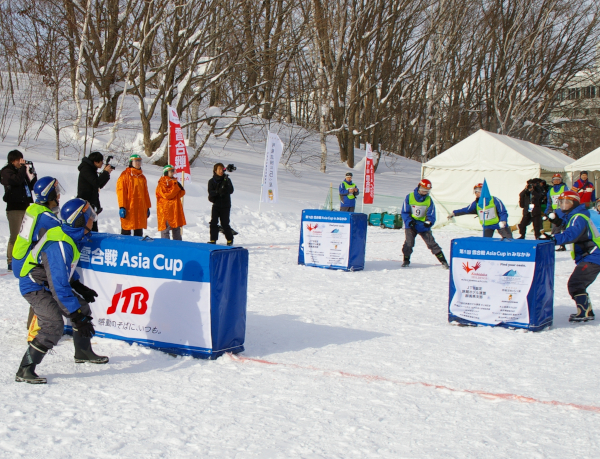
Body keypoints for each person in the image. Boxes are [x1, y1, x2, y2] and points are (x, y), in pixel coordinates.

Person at [15, 198, 108, 384]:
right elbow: (58, 286)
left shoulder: (70, 235)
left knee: (82, 306)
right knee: (53, 324)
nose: (92, 219)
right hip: (34, 286)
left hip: (48, 282)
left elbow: (62, 270)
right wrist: (77, 317)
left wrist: (78, 286)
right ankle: (25, 369)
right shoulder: (60, 244)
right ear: (79, 221)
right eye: (89, 216)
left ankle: (82, 352)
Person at [11, 176, 64, 330]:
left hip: (19, 256)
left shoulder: (33, 208)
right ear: (50, 196)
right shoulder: (46, 217)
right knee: (40, 290)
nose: (59, 195)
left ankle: (35, 326)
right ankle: (37, 329)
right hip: (28, 261)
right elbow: (63, 233)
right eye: (57, 192)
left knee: (39, 290)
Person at [548, 191, 600, 323]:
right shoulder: (575, 215)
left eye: (567, 202)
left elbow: (572, 234)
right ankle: (587, 311)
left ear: (575, 203)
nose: (564, 205)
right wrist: (559, 221)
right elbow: (570, 225)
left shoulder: (578, 217)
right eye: (561, 202)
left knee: (575, 283)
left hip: (593, 256)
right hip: (590, 256)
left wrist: (554, 239)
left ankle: (583, 312)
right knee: (578, 283)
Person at [1, 150, 37, 270]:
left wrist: (32, 174)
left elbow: (32, 186)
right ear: (12, 160)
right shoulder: (6, 172)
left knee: (26, 235)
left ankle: (22, 257)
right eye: (18, 160)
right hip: (14, 208)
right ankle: (11, 260)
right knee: (15, 236)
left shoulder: (21, 172)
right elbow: (15, 181)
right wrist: (23, 169)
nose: (21, 162)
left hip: (25, 206)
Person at [400, 179, 449, 268]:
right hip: (411, 224)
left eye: (426, 191)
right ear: (419, 187)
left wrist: (429, 222)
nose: (424, 192)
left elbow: (431, 213)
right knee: (409, 243)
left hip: (423, 225)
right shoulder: (409, 197)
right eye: (423, 189)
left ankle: (443, 261)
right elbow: (404, 212)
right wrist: (409, 221)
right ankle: (406, 260)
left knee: (431, 243)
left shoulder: (429, 200)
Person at [76, 150, 113, 231]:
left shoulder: (91, 169)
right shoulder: (86, 169)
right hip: (86, 204)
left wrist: (106, 174)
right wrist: (105, 173)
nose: (102, 163)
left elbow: (99, 185)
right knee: (88, 227)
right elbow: (96, 182)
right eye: (101, 161)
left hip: (92, 203)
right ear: (95, 162)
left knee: (93, 226)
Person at [116, 153, 151, 236]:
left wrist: (147, 206)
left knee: (138, 231)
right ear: (131, 162)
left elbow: (146, 193)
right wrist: (122, 206)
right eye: (136, 161)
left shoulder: (142, 177)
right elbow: (121, 192)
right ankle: (124, 248)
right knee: (126, 230)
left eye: (139, 161)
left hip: (140, 209)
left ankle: (138, 248)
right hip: (129, 208)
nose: (138, 163)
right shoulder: (125, 175)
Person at [156, 164, 186, 240]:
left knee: (176, 229)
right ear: (166, 172)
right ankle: (165, 247)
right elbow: (167, 195)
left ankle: (178, 247)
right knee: (165, 229)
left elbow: (180, 194)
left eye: (173, 171)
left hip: (175, 209)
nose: (173, 173)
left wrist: (181, 188)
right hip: (166, 210)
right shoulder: (162, 183)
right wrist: (176, 187)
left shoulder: (174, 182)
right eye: (171, 171)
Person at [208, 163, 234, 245]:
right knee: (213, 222)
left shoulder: (226, 180)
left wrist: (226, 184)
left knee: (225, 223)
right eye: (219, 169)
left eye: (222, 169)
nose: (220, 171)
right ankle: (213, 240)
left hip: (225, 205)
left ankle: (230, 239)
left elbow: (231, 190)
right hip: (216, 204)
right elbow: (210, 192)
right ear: (215, 171)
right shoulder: (211, 181)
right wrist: (218, 192)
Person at [544, 173, 567, 251]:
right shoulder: (550, 190)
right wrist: (547, 212)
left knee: (564, 228)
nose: (556, 181)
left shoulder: (564, 188)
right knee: (555, 228)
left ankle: (562, 245)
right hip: (555, 212)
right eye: (555, 180)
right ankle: (556, 243)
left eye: (558, 179)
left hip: (564, 211)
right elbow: (549, 202)